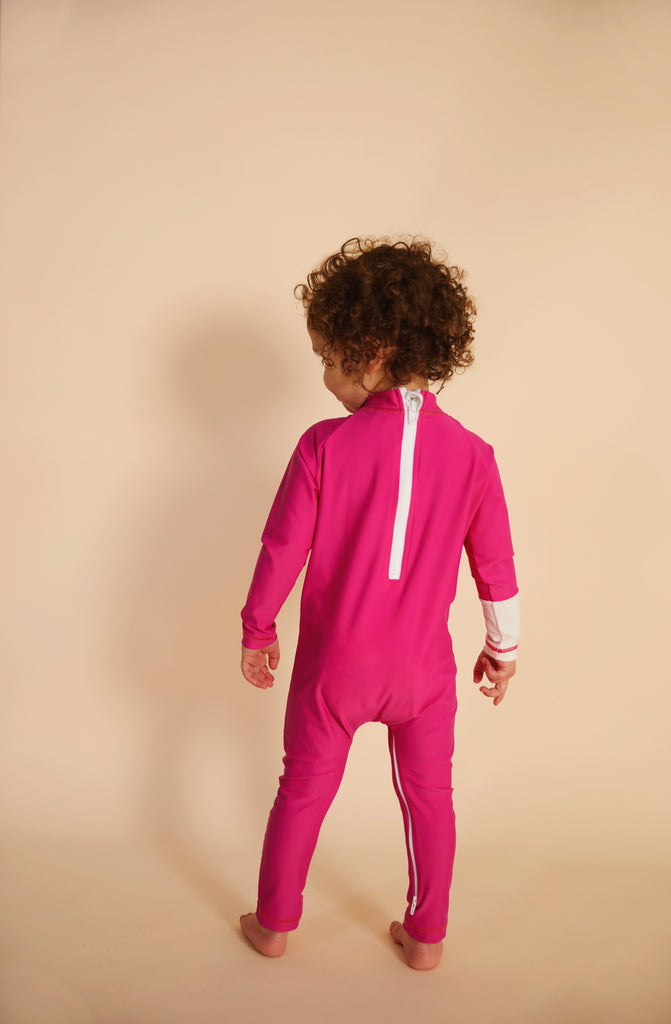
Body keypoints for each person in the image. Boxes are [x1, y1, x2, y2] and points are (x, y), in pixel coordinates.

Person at [239, 236, 519, 970]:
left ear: (368, 352)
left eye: (328, 359)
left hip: (334, 669)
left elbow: (281, 550)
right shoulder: (474, 455)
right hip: (423, 674)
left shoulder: (322, 446)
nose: (324, 377)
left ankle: (273, 924)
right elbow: (495, 566)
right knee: (430, 798)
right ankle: (426, 938)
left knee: (302, 790)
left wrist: (257, 628)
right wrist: (503, 649)